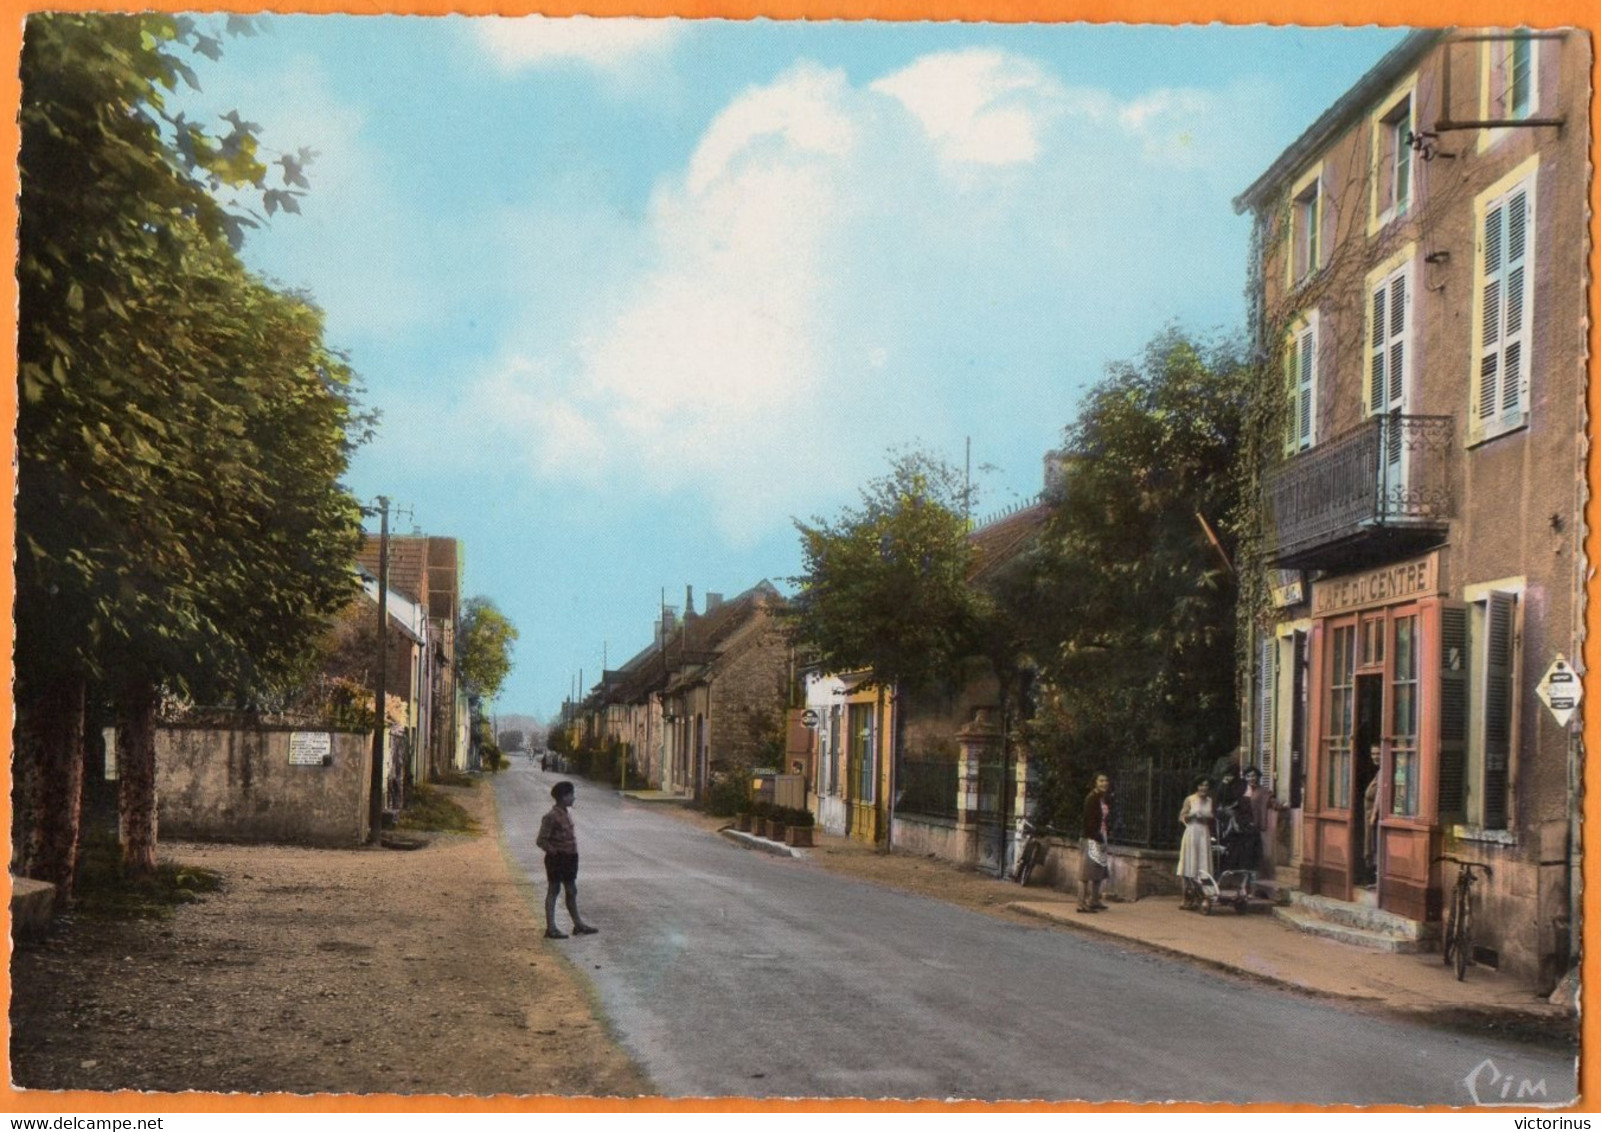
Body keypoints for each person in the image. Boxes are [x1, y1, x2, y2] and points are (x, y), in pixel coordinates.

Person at [535, 781, 599, 939]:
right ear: (563, 797)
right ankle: (551, 928)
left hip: (570, 858)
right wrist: (554, 852)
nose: (573, 798)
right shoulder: (551, 817)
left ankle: (578, 924)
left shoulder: (566, 814)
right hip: (557, 859)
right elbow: (541, 840)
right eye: (571, 795)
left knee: (571, 891)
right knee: (554, 891)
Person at [1176, 777, 1215, 910]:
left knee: (1203, 863)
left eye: (1206, 785)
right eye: (1201, 785)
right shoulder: (1190, 799)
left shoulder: (1210, 801)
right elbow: (1182, 817)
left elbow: (1212, 817)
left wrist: (1208, 817)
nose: (1203, 788)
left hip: (1204, 833)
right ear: (1197, 786)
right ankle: (1187, 897)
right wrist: (1190, 816)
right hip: (1192, 832)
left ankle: (1203, 896)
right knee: (1190, 864)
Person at [1242, 766, 1287, 878]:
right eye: (1248, 776)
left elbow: (1272, 802)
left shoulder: (1263, 791)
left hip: (1255, 825)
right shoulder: (1241, 790)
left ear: (1257, 777)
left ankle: (1256, 877)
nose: (1251, 778)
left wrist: (1282, 805)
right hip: (1242, 825)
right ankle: (1242, 878)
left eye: (1253, 776)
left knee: (1257, 852)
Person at [1077, 773, 1112, 913]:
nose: (1104, 783)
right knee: (1086, 872)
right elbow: (1089, 822)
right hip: (1091, 838)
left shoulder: (1101, 799)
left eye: (1106, 780)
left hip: (1100, 835)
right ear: (1095, 782)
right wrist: (1098, 837)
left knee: (1099, 870)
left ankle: (1094, 900)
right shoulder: (1091, 799)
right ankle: (1081, 903)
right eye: (1101, 780)